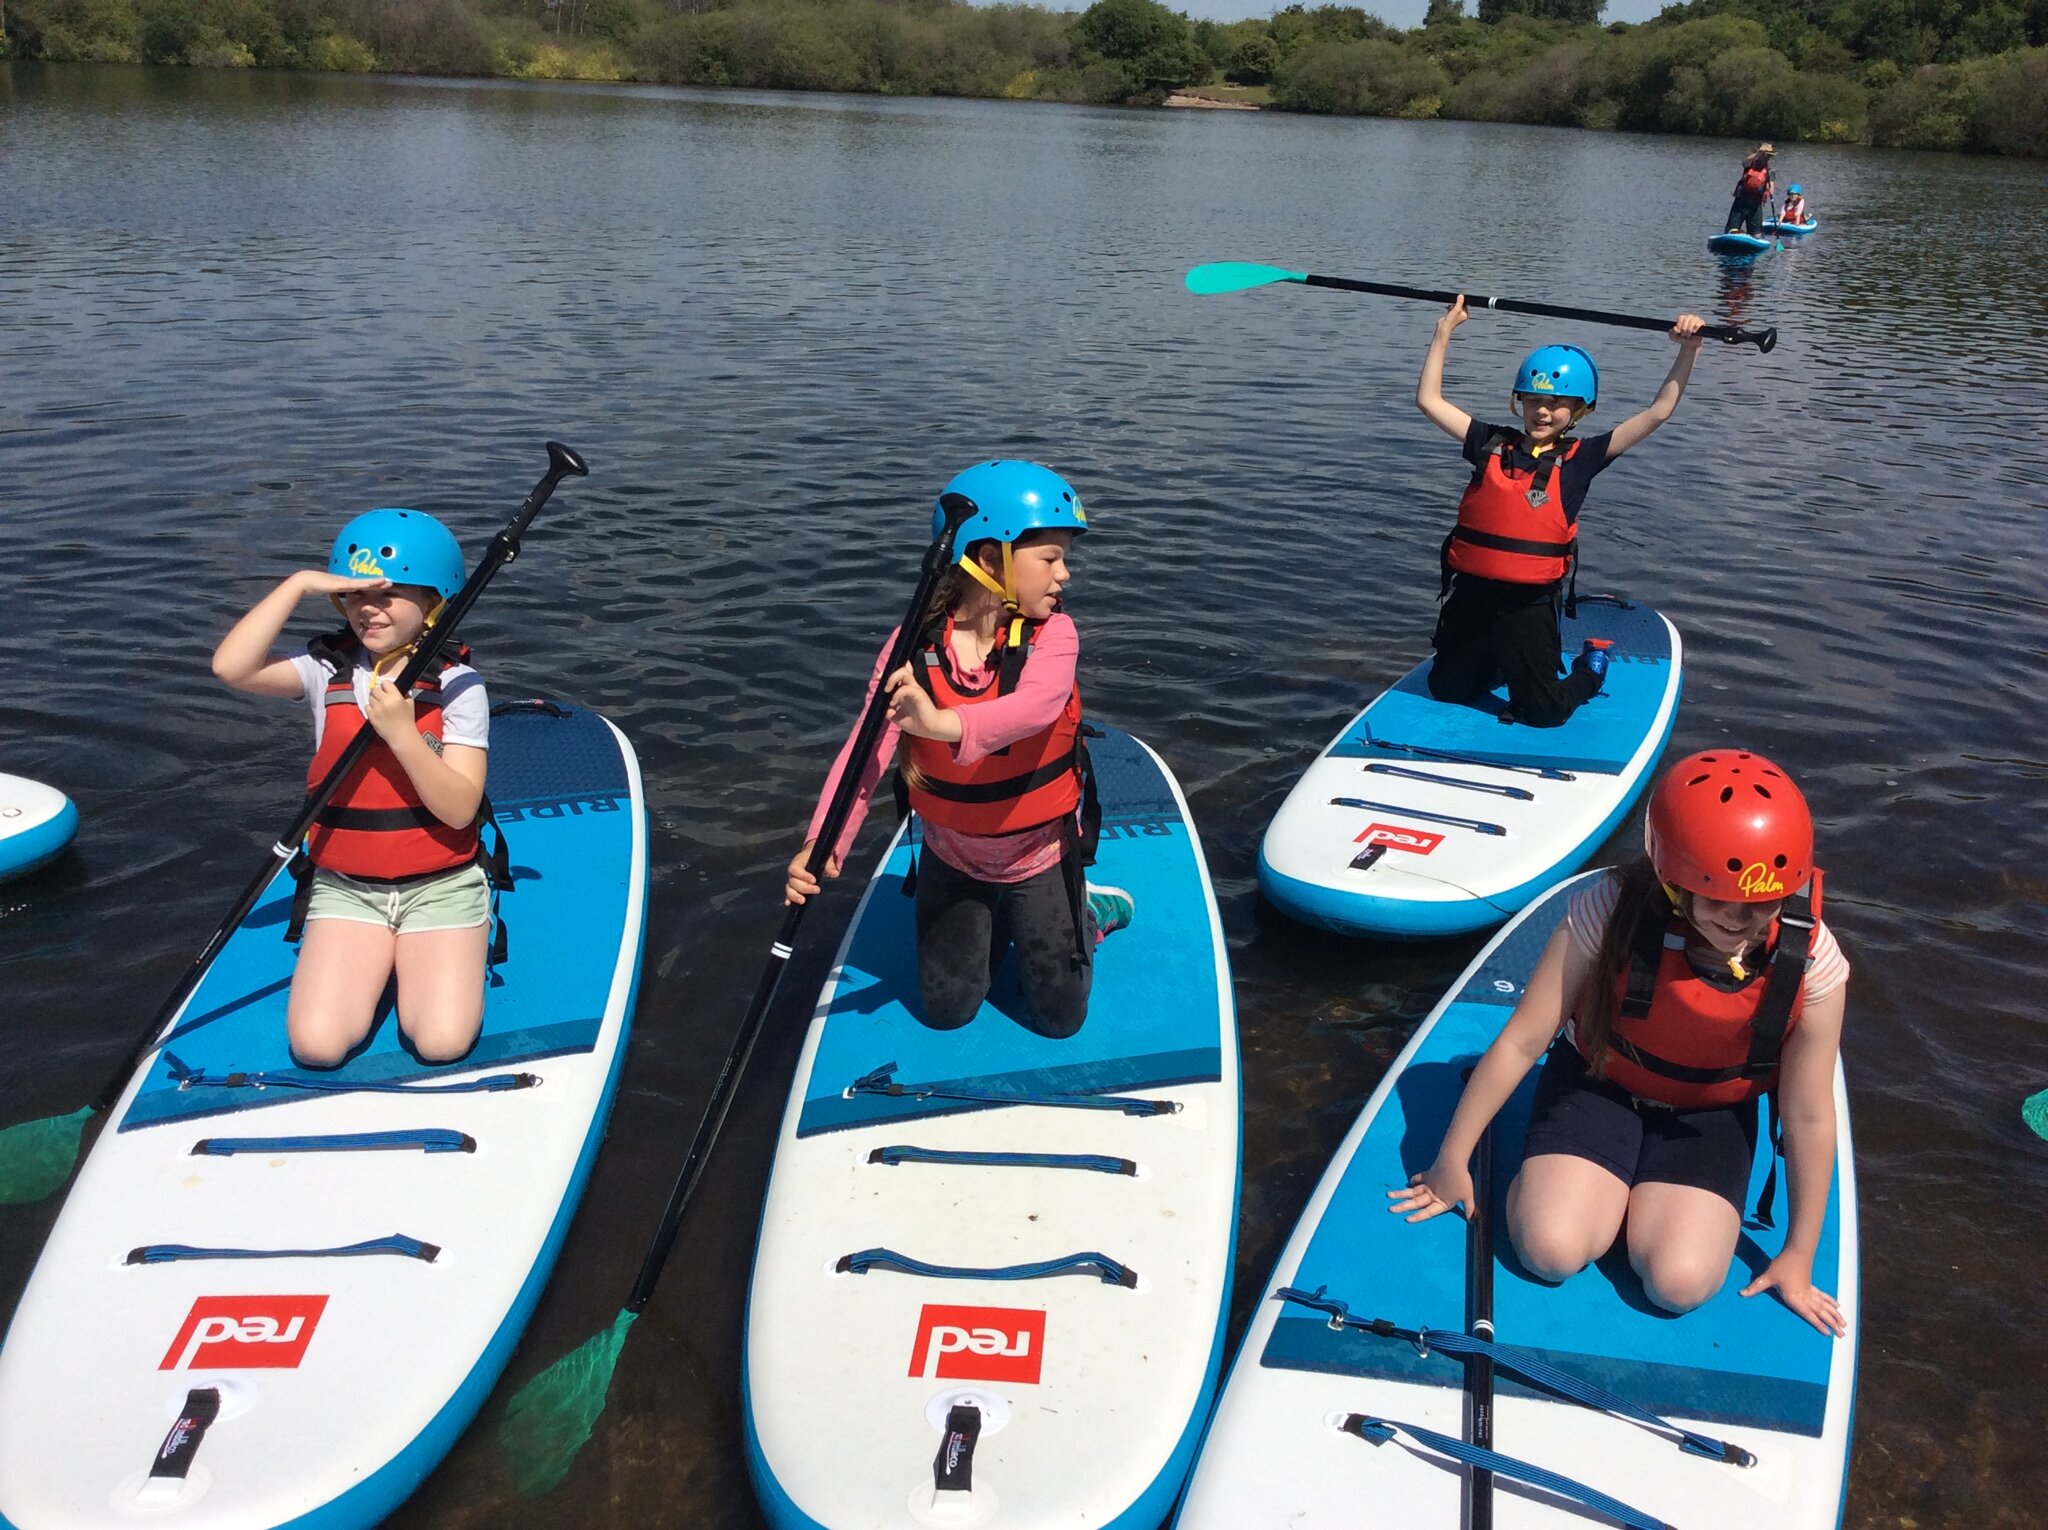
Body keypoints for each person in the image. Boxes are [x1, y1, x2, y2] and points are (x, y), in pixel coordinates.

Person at [1388, 751, 1851, 1338]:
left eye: (1763, 903)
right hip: (1600, 1082)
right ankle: (1597, 1196)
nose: (1742, 921)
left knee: (1677, 1285)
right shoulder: (1609, 910)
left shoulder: (1813, 961)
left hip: (1708, 1113)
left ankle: (1638, 1206)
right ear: (1674, 881)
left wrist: (1798, 1254)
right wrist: (1451, 1159)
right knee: (1548, 1250)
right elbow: (1521, 1041)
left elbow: (1808, 1112)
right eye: (1719, 900)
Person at [784, 460, 1131, 1039]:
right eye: (1049, 558)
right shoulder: (912, 647)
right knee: (948, 1012)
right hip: (954, 854)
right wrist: (823, 842)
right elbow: (864, 755)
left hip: (1039, 852)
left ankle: (1088, 910)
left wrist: (939, 722)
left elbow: (1035, 710)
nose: (1064, 574)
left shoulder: (1056, 635)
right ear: (990, 558)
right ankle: (989, 919)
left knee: (1060, 1019)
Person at [212, 509, 491, 1069]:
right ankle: (376, 952)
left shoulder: (459, 685)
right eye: (357, 594)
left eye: (390, 594)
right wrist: (299, 584)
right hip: (347, 886)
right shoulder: (325, 670)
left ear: (435, 603)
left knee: (441, 1042)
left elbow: (460, 810)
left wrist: (402, 734)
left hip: (439, 885)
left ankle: (454, 932)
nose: (370, 608)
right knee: (317, 1046)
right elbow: (232, 668)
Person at [1415, 298, 1707, 728]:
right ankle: (1500, 660)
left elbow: (1658, 412)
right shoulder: (1491, 443)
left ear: (1579, 410)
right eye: (1533, 400)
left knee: (1544, 713)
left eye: (1557, 403)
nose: (1543, 411)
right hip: (1472, 596)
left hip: (1527, 605)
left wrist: (1689, 349)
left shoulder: (1582, 459)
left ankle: (1592, 667)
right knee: (1446, 690)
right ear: (1520, 401)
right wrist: (1444, 332)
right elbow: (1428, 399)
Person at [1727, 144, 1776, 236]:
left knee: (1756, 234)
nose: (1766, 158)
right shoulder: (1750, 164)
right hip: (1740, 201)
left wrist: (1770, 191)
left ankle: (1754, 236)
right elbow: (1744, 162)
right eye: (1764, 155)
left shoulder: (1770, 171)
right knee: (1731, 230)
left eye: (1768, 156)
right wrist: (1758, 153)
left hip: (1755, 204)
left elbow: (1771, 185)